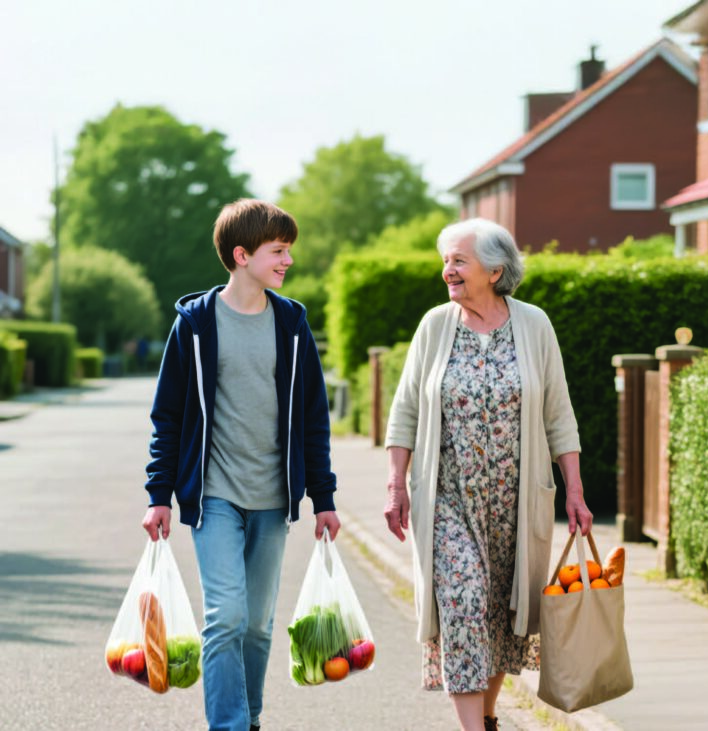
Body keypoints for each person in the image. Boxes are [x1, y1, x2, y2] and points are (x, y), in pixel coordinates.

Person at [384, 217, 593, 731]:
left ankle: (490, 718)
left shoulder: (534, 325)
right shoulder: (435, 326)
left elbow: (558, 414)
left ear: (495, 270)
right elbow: (405, 410)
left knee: (503, 612)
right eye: (446, 260)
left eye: (459, 260)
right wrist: (396, 485)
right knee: (463, 603)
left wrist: (576, 492)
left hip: (516, 501)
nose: (447, 271)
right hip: (448, 498)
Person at [142, 199, 340, 731]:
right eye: (278, 251)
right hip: (214, 495)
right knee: (225, 616)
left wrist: (324, 499)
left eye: (288, 252)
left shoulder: (292, 323)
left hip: (275, 497)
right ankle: (227, 724)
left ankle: (250, 716)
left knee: (256, 624)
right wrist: (159, 495)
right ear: (241, 254)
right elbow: (169, 415)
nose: (287, 262)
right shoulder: (196, 325)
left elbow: (313, 417)